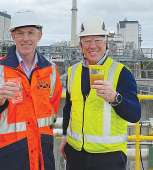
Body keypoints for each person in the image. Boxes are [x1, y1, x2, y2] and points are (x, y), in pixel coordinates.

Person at [0, 9, 63, 170]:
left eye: (31, 33)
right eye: (20, 33)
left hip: (43, 159)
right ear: (12, 36)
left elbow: (51, 113)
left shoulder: (51, 71)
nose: (26, 39)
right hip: (9, 160)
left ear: (39, 36)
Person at [60, 16, 141, 170]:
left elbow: (135, 114)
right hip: (76, 155)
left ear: (106, 42)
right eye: (87, 41)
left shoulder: (121, 73)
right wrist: (65, 137)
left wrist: (115, 98)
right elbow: (69, 108)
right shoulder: (73, 71)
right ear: (80, 44)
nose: (92, 46)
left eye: (98, 40)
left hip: (109, 157)